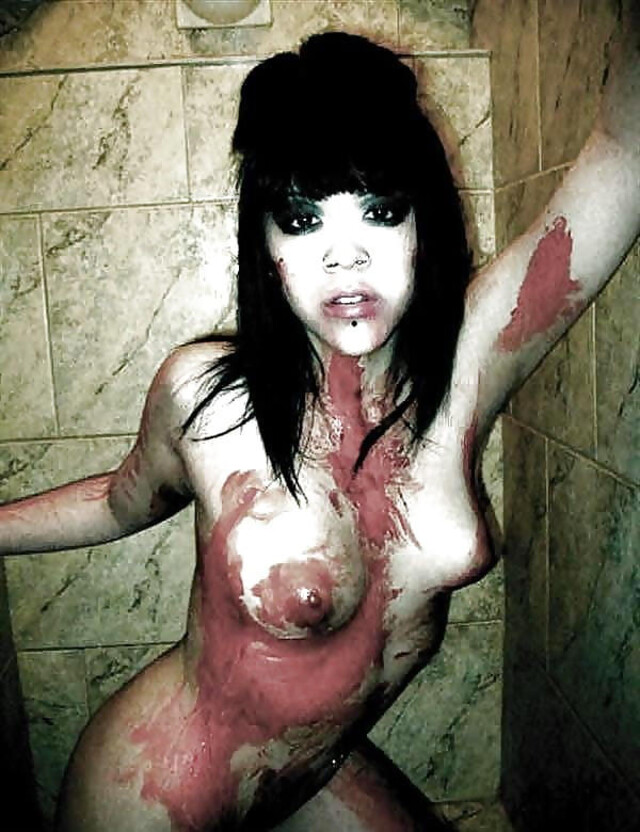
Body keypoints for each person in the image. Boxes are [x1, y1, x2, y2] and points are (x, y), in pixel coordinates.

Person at [1, 24, 638, 832]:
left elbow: (625, 154)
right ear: (265, 248)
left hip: (311, 772)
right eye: (302, 220)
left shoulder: (469, 367)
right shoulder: (207, 399)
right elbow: (119, 503)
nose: (345, 257)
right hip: (154, 792)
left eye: (380, 210)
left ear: (424, 226)